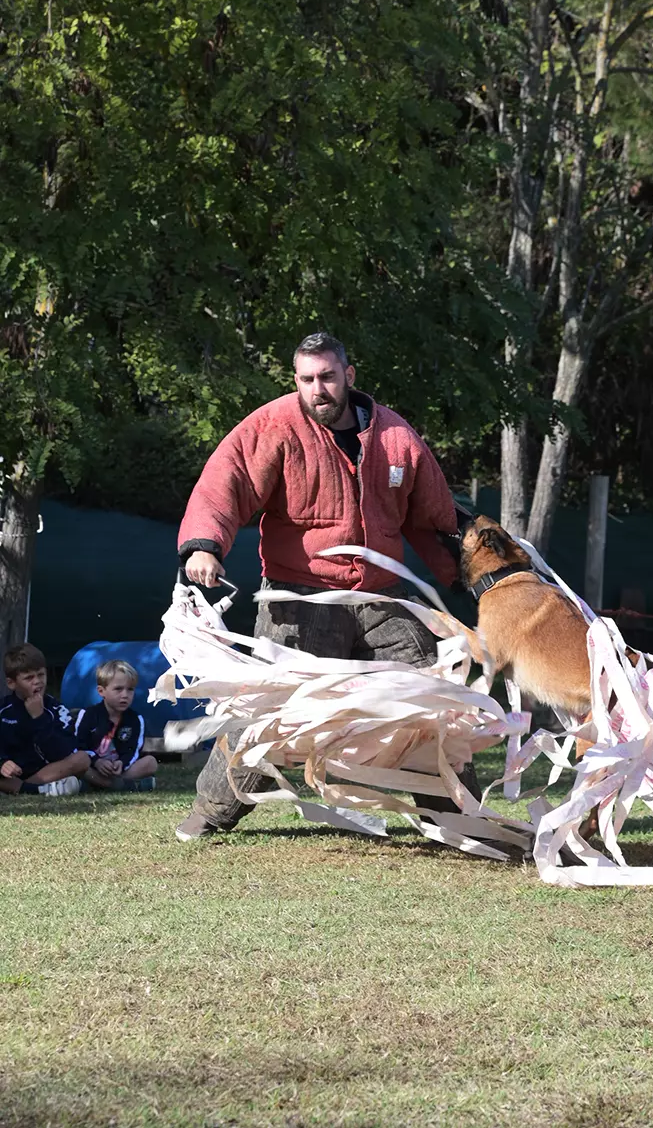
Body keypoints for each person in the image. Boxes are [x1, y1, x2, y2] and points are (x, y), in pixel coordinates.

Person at [174, 331, 476, 840]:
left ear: (349, 377)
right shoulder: (272, 427)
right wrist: (205, 545)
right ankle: (212, 811)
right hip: (301, 597)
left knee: (429, 698)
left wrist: (469, 571)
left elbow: (432, 517)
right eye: (307, 379)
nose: (318, 389)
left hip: (384, 597)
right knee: (269, 713)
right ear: (296, 381)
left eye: (328, 377)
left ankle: (456, 818)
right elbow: (225, 482)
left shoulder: (395, 437)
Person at [0, 644, 90, 796]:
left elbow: (63, 753)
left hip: (44, 773)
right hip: (9, 774)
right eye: (29, 678)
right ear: (11, 683)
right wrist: (1, 763)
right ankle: (36, 791)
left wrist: (39, 717)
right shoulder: (3, 709)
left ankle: (22, 789)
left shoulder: (56, 709)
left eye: (41, 675)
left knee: (82, 759)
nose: (37, 681)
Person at [74, 660, 158, 792]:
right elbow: (78, 745)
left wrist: (122, 764)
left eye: (130, 690)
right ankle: (121, 785)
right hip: (93, 766)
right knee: (77, 763)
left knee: (150, 762)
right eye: (118, 689)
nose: (125, 695)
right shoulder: (88, 715)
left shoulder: (135, 719)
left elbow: (133, 750)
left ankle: (104, 784)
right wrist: (96, 761)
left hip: (118, 770)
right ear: (101, 691)